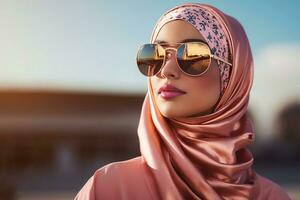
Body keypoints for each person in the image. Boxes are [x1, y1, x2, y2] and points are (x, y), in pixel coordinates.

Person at [74, 2, 291, 200]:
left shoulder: (271, 197)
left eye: (193, 56)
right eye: (155, 55)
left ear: (233, 75)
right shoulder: (106, 188)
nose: (166, 71)